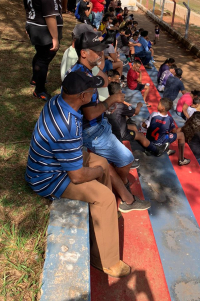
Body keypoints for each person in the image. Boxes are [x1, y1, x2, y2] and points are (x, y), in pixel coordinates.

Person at [25, 70, 131, 278]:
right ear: (82, 96)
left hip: (52, 162)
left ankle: (103, 219)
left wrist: (99, 167)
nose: (94, 94)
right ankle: (106, 260)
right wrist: (100, 171)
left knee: (99, 160)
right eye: (92, 91)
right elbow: (77, 177)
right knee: (106, 197)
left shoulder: (59, 101)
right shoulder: (67, 126)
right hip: (47, 178)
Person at [68, 32, 151, 213]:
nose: (100, 55)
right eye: (96, 51)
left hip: (97, 126)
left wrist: (98, 62)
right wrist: (111, 100)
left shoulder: (83, 71)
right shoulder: (84, 80)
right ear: (83, 53)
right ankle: (122, 192)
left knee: (112, 160)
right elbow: (89, 114)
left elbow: (104, 81)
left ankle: (123, 193)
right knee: (127, 159)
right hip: (92, 130)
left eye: (101, 51)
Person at [23, 0, 64, 101]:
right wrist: (55, 38)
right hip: (44, 30)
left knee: (39, 54)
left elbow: (28, 5)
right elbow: (50, 16)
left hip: (33, 25)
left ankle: (36, 78)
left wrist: (28, 24)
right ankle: (39, 89)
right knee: (44, 58)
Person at [106, 83, 168, 156]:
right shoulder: (120, 106)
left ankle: (146, 146)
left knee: (134, 127)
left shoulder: (106, 102)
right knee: (140, 135)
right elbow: (136, 112)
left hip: (111, 128)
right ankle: (156, 151)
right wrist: (139, 105)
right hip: (120, 133)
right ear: (119, 92)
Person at [143, 98, 190, 165]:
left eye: (159, 104)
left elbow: (144, 125)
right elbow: (174, 131)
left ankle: (166, 149)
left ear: (162, 108)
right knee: (180, 134)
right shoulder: (170, 119)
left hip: (149, 141)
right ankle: (181, 159)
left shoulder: (153, 114)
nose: (157, 105)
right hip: (161, 141)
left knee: (163, 132)